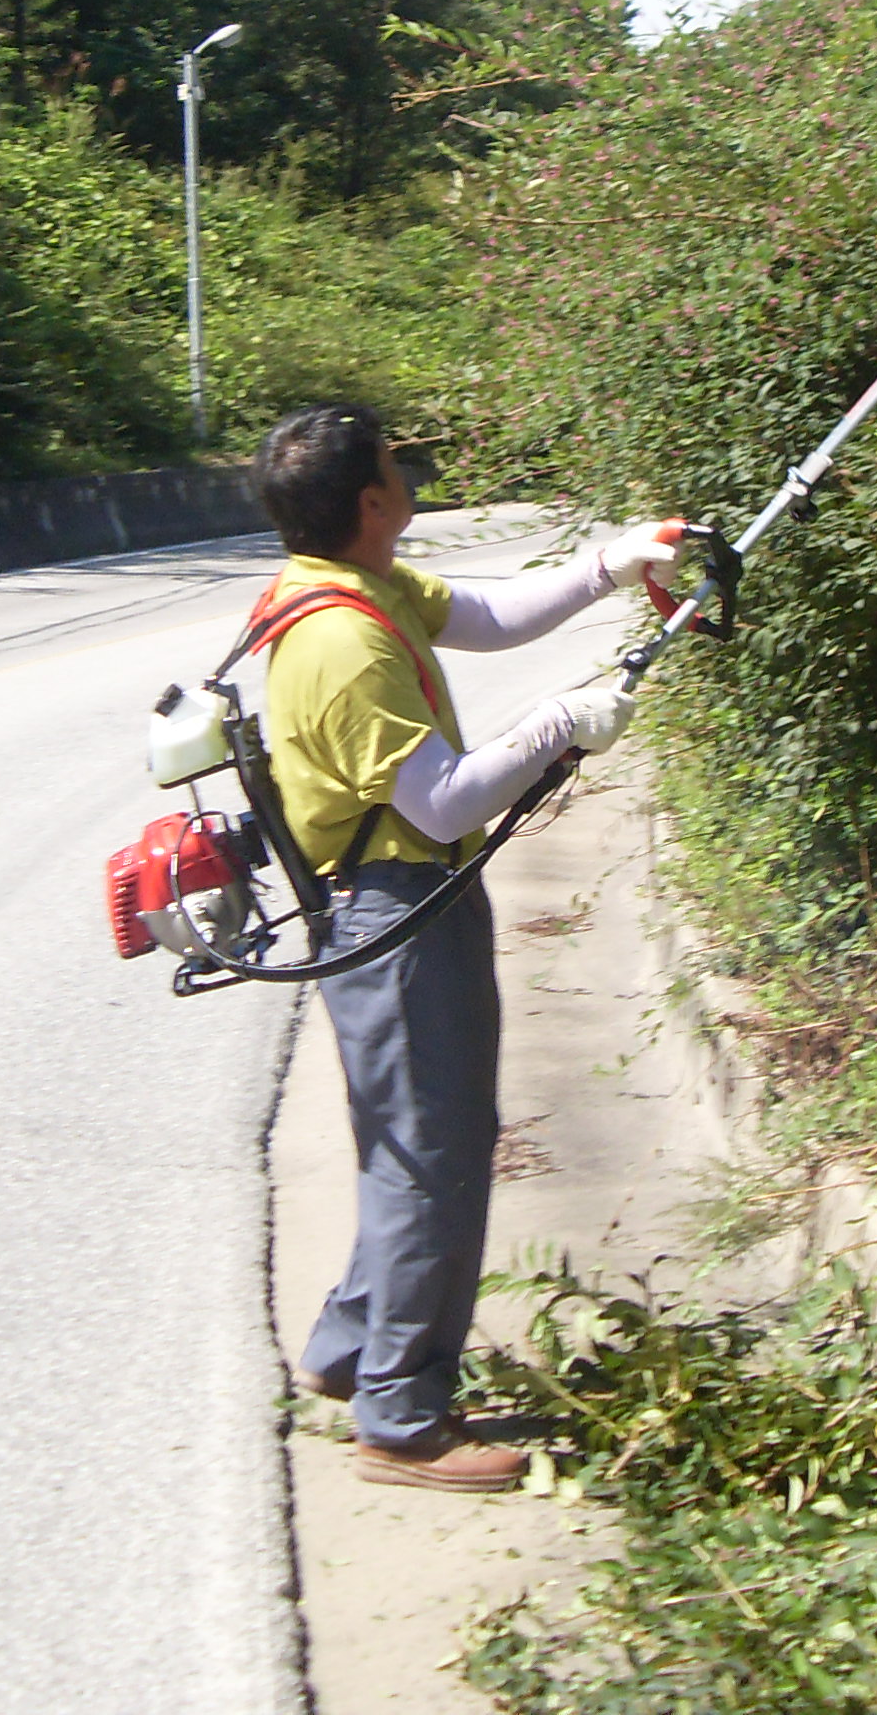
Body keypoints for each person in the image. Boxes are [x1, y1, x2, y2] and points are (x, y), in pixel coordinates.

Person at [247, 401, 681, 1491]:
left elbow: (486, 616)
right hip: (394, 915)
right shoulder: (340, 642)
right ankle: (400, 1420)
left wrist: (612, 565)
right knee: (431, 1157)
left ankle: (351, 1350)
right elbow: (440, 802)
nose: (410, 472)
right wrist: (554, 725)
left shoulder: (354, 583)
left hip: (409, 900)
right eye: (396, 464)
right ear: (372, 501)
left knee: (414, 1146)